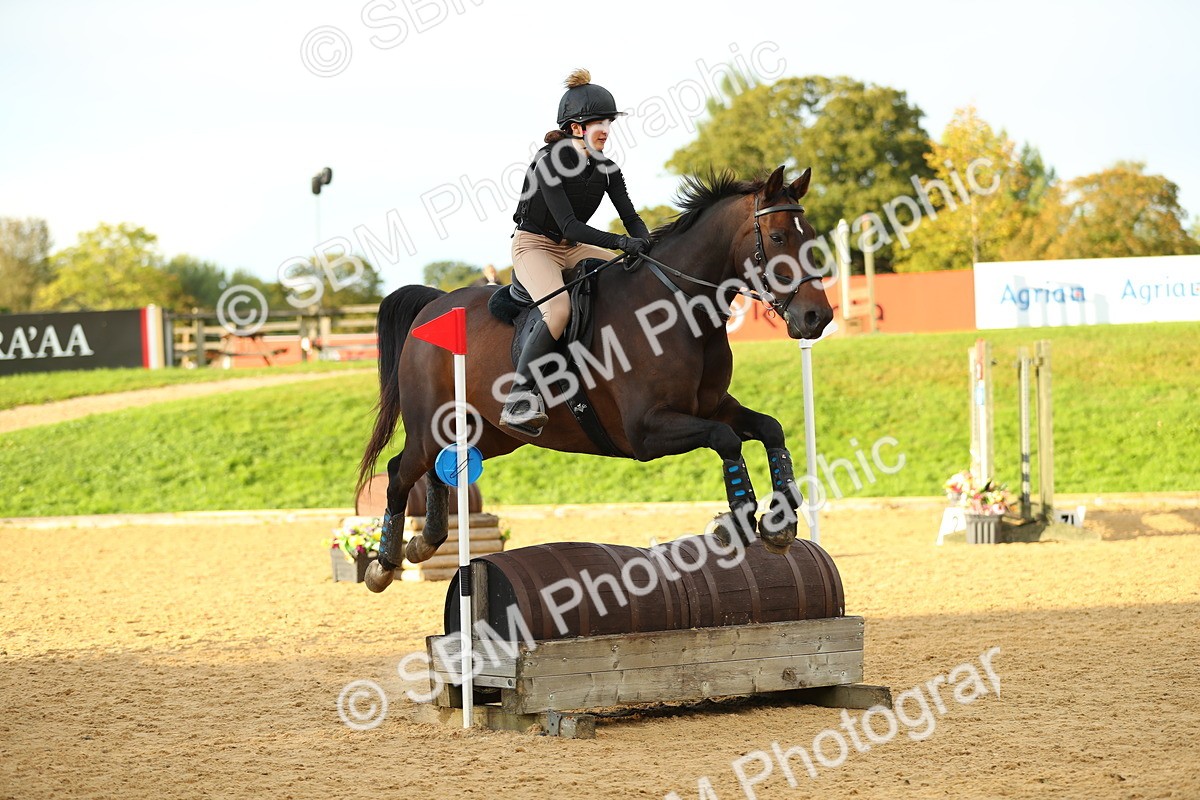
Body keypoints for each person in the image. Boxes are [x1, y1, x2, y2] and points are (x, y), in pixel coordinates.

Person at [500, 68, 651, 436]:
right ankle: (519, 397)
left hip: (573, 246)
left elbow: (630, 217)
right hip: (534, 245)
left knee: (636, 278)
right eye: (598, 122)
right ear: (576, 128)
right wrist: (620, 243)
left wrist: (648, 246)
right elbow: (568, 224)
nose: (606, 129)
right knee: (558, 308)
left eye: (608, 122)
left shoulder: (608, 168)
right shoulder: (550, 161)